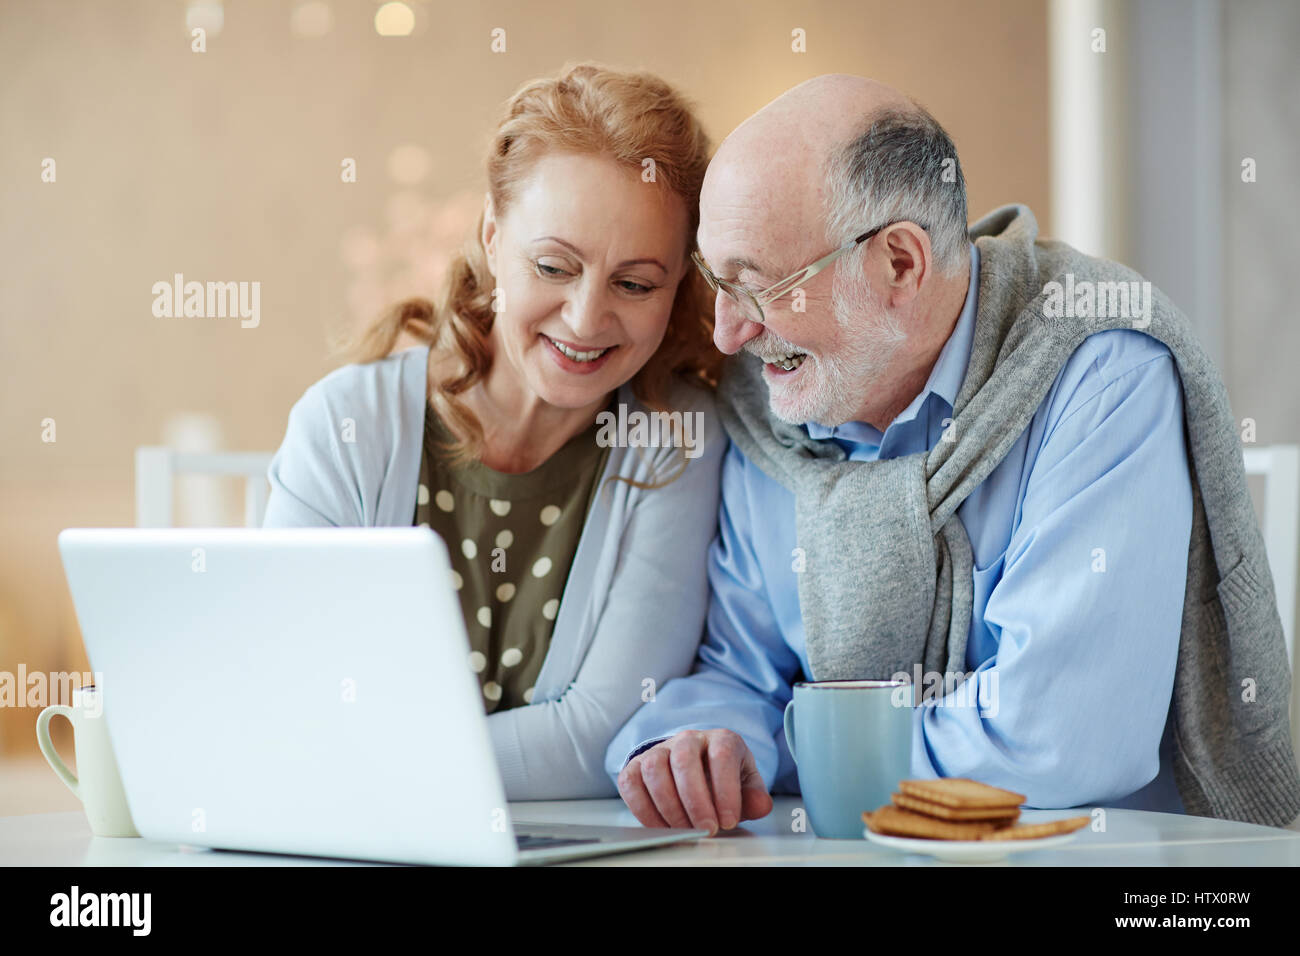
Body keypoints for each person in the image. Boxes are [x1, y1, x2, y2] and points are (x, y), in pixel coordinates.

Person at [608, 73, 1300, 832]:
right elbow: (740, 671)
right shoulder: (772, 403)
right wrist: (700, 747)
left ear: (900, 263)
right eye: (717, 282)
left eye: (761, 286)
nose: (727, 334)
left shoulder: (1102, 374)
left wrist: (795, 747)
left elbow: (1056, 739)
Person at [262, 63, 726, 799]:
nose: (584, 318)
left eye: (635, 283)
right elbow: (289, 699)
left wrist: (362, 765)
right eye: (553, 265)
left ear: (678, 287)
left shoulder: (678, 438)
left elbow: (598, 734)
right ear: (490, 236)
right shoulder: (346, 424)